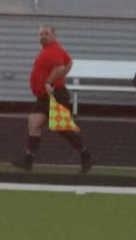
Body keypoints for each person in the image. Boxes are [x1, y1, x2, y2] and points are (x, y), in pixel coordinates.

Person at [12, 25, 93, 172]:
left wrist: (50, 81)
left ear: (53, 35)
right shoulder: (50, 50)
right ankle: (28, 160)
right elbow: (69, 62)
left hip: (55, 95)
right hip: (45, 96)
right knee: (34, 123)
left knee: (63, 128)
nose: (43, 36)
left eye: (46, 34)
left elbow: (61, 67)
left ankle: (86, 156)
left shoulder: (53, 50)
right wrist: (57, 79)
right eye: (41, 34)